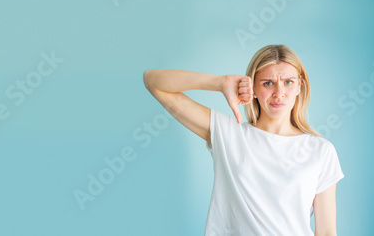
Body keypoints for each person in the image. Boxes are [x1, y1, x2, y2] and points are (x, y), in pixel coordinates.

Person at [142, 44, 344, 236]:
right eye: (268, 83)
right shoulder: (228, 134)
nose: (279, 93)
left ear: (299, 86)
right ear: (252, 88)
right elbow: (153, 81)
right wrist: (220, 83)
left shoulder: (320, 150)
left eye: (288, 82)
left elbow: (326, 232)